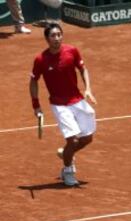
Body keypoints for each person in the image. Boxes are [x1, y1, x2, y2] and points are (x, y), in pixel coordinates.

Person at [29, 23, 97, 186]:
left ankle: (67, 153)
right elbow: (33, 81)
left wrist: (87, 89)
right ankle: (68, 170)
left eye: (59, 35)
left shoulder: (72, 51)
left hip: (77, 100)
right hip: (59, 104)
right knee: (73, 141)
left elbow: (83, 69)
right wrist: (36, 105)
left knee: (87, 139)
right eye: (53, 36)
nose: (57, 38)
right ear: (47, 39)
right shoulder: (40, 60)